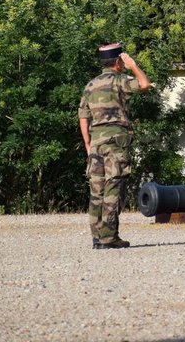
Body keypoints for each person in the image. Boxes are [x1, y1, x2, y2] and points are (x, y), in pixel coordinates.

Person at [78, 43, 151, 249]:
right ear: (118, 62)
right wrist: (134, 65)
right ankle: (109, 237)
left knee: (97, 189)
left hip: (96, 142)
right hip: (116, 141)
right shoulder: (120, 81)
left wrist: (88, 144)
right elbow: (144, 84)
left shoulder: (90, 86)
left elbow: (83, 117)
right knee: (113, 187)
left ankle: (97, 238)